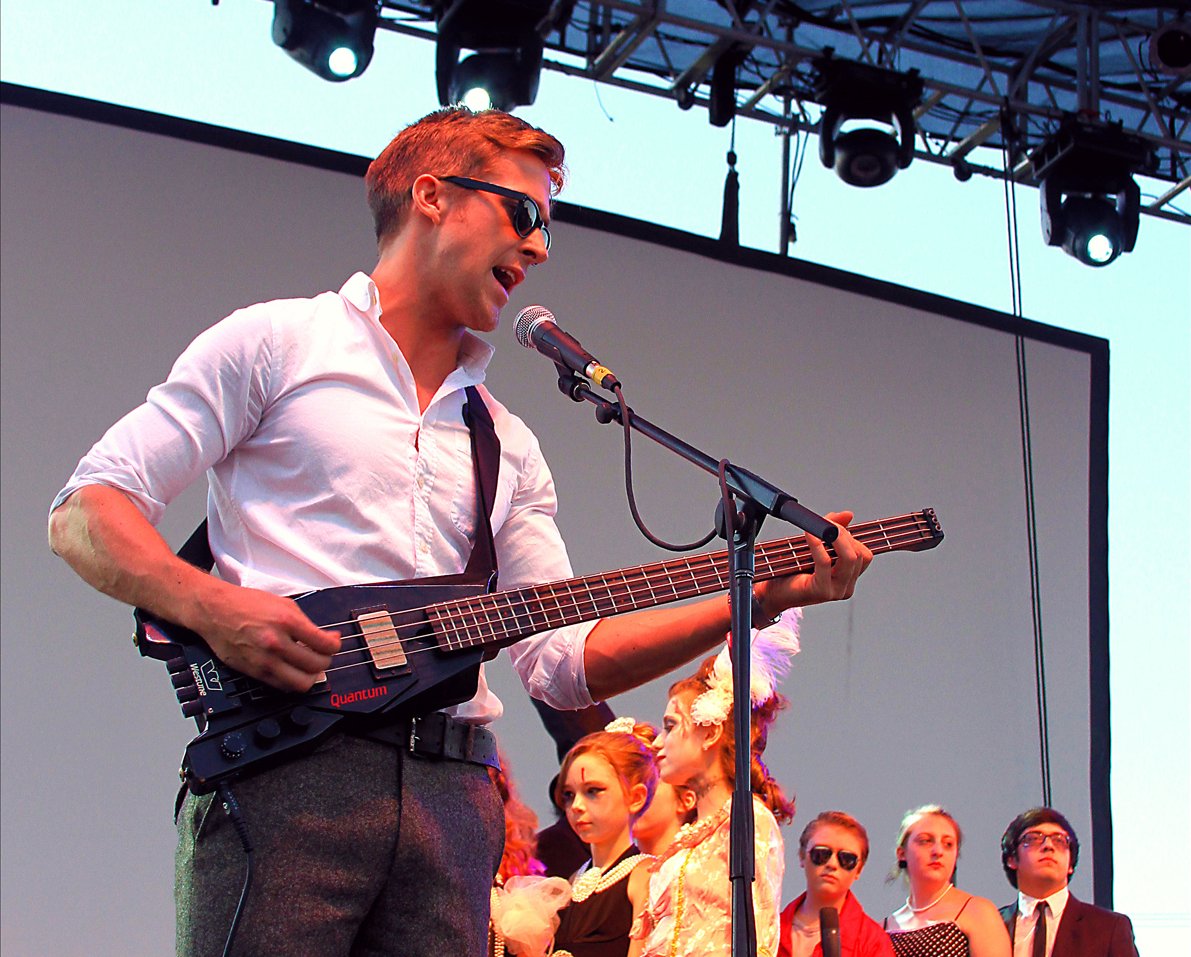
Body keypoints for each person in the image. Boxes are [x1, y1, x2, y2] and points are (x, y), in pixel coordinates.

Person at [47, 106, 873, 957]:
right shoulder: (277, 344)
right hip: (285, 777)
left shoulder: (507, 441)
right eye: (525, 214)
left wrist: (755, 601)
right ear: (433, 195)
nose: (541, 247)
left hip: (454, 797)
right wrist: (218, 609)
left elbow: (561, 663)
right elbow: (86, 511)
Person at [634, 610, 803, 957]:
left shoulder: (749, 821)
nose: (657, 742)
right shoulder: (690, 836)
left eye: (671, 725)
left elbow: (761, 933)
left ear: (710, 732)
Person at [548, 722, 660, 957]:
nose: (576, 806)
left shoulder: (645, 877)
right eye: (569, 795)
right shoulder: (572, 882)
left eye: (593, 791)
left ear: (636, 797)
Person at [998, 807, 1139, 957]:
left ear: (1070, 865)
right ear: (1011, 859)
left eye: (1059, 840)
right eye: (1033, 839)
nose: (1048, 846)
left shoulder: (1109, 927)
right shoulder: (991, 925)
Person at [883, 805, 1010, 957]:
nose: (938, 851)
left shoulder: (977, 911)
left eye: (948, 844)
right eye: (925, 841)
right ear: (902, 853)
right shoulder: (885, 927)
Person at [778, 811, 893, 957]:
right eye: (821, 854)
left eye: (846, 858)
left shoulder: (873, 942)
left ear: (859, 869)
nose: (832, 864)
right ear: (802, 856)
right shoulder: (768, 929)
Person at [629, 723, 697, 858]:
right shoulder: (591, 875)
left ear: (686, 800)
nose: (632, 795)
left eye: (646, 782)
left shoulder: (701, 868)